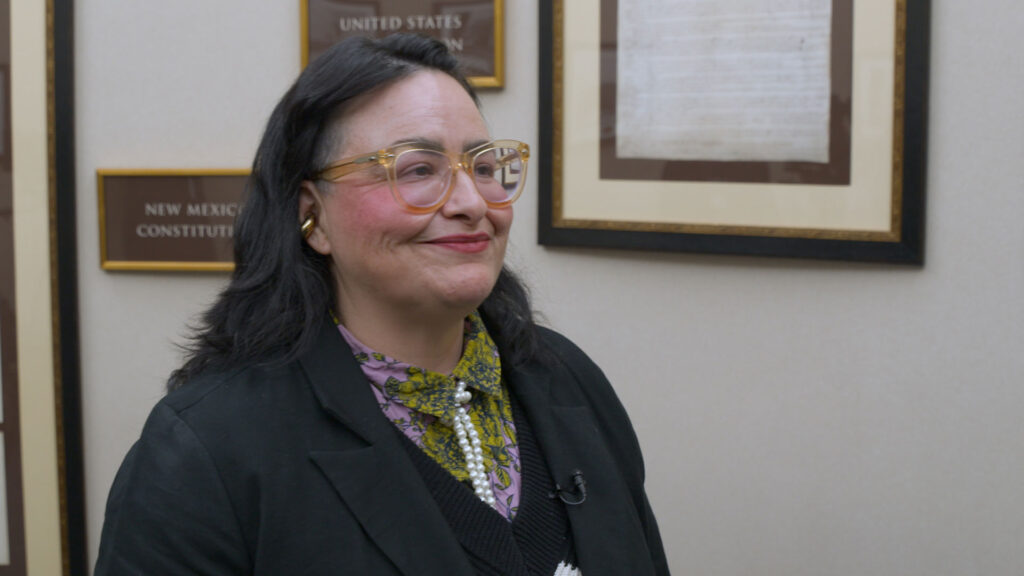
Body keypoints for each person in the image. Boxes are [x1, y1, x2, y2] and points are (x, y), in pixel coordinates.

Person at [95, 34, 669, 576]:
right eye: (417, 170)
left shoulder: (568, 378)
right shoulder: (206, 450)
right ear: (311, 216)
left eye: (484, 167)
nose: (472, 202)